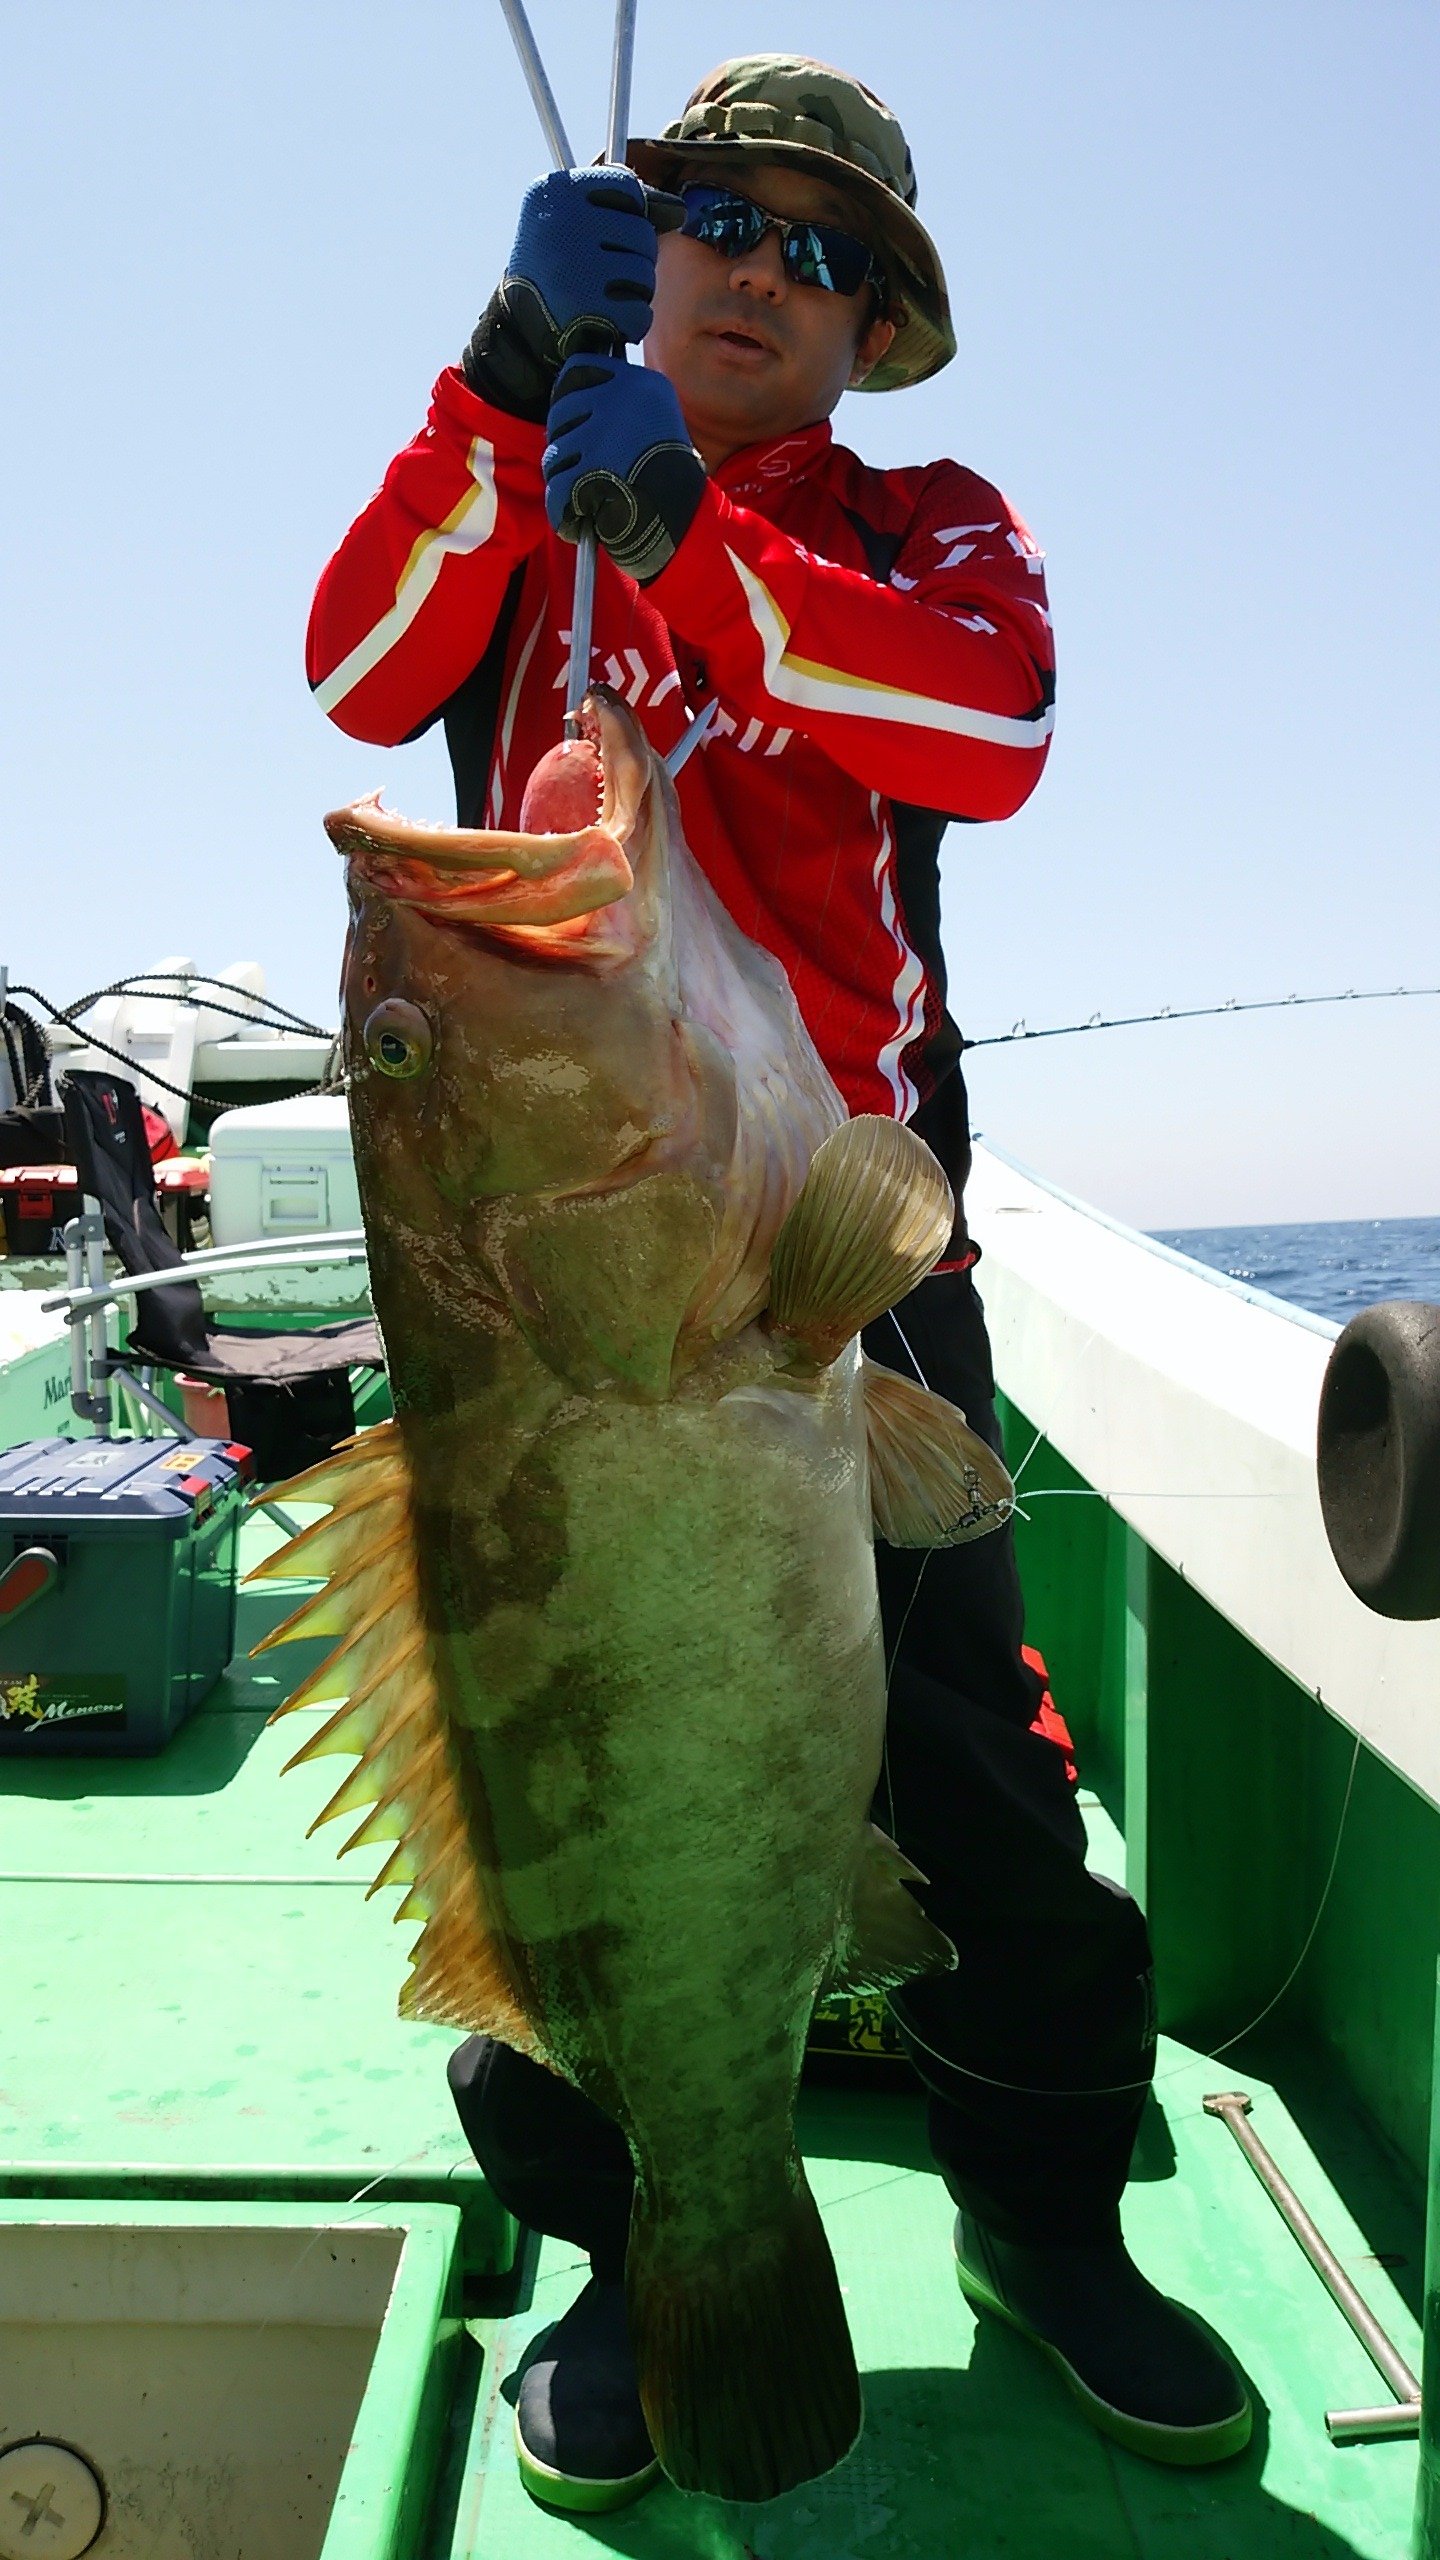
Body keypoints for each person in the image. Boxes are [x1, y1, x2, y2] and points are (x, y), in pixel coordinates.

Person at [308, 53, 1250, 2514]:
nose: (759, 265)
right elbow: (356, 663)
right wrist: (503, 395)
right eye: (715, 214)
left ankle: (1044, 2227)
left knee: (994, 1808)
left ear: (878, 326)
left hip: (849, 1243)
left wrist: (696, 538)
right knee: (581, 1819)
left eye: (824, 249)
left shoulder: (930, 525)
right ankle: (646, 2246)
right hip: (591, 1294)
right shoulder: (525, 504)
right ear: (645, 252)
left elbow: (993, 721)